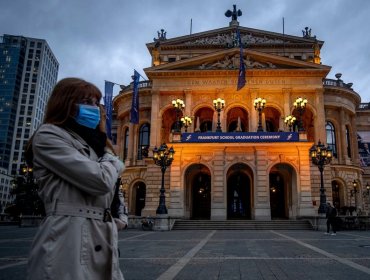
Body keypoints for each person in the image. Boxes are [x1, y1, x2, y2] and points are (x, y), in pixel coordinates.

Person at [26, 78, 127, 280]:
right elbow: (101, 181)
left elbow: (116, 190)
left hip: (101, 235)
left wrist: (120, 220)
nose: (95, 108)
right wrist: (112, 157)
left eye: (95, 103)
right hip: (67, 238)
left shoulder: (94, 143)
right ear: (66, 105)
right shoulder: (48, 136)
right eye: (86, 102)